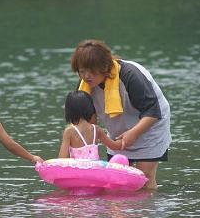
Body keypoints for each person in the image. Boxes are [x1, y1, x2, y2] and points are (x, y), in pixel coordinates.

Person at [70, 39, 171, 189]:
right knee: (116, 180)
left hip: (149, 125)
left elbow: (152, 111)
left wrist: (134, 133)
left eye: (91, 71)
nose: (86, 76)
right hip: (118, 130)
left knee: (144, 178)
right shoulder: (84, 85)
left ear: (104, 67)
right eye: (82, 71)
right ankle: (121, 211)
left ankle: (147, 210)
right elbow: (87, 119)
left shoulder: (130, 75)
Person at [58, 90, 122, 160]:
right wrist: (124, 140)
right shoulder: (96, 129)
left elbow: (62, 158)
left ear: (69, 111)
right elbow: (114, 146)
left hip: (78, 170)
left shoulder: (69, 131)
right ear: (90, 108)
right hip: (95, 168)